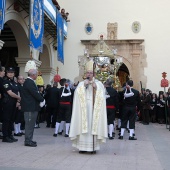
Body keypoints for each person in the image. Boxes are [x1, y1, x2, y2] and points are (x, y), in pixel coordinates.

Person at [69, 59, 107, 154]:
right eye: (88, 73)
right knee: (83, 126)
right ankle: (82, 147)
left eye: (91, 73)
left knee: (92, 127)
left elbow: (102, 95)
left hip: (94, 110)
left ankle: (93, 147)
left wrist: (96, 88)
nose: (89, 74)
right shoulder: (81, 84)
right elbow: (76, 94)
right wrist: (83, 87)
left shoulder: (98, 84)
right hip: (83, 109)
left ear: (94, 74)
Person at [20, 69, 45, 147]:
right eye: (36, 74)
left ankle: (29, 139)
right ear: (33, 75)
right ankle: (28, 141)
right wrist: (42, 99)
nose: (37, 76)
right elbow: (35, 93)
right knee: (29, 125)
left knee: (30, 125)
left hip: (31, 107)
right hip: (29, 108)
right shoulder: (29, 82)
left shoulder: (29, 82)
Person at [2, 67, 21, 143]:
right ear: (7, 73)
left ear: (14, 74)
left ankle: (10, 135)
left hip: (14, 103)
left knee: (11, 119)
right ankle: (5, 136)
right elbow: (10, 93)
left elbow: (17, 91)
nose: (10, 73)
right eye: (9, 72)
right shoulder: (5, 82)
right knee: (6, 120)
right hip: (7, 102)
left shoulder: (14, 83)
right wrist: (18, 98)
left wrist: (18, 101)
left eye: (12, 72)